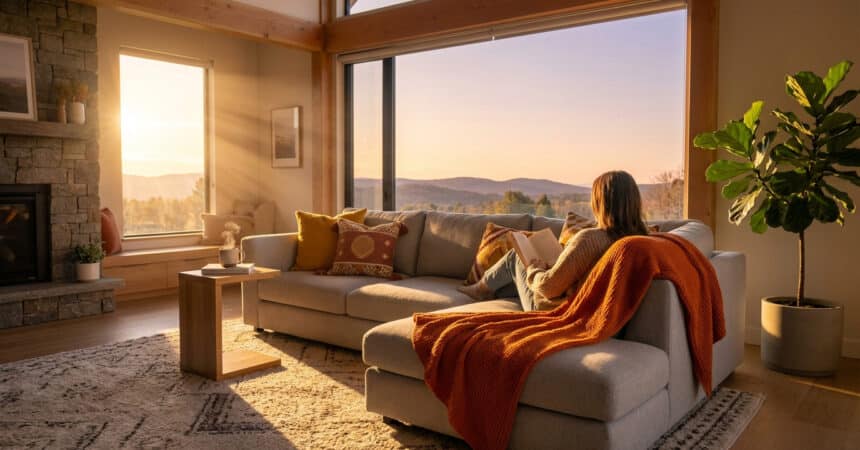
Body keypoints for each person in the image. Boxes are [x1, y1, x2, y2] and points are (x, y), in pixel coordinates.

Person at [458, 170, 651, 311]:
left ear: (600, 203)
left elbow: (548, 288)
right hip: (583, 302)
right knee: (522, 273)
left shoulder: (591, 238)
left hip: (552, 310)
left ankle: (480, 289)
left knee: (515, 258)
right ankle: (487, 290)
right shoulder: (640, 239)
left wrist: (535, 268)